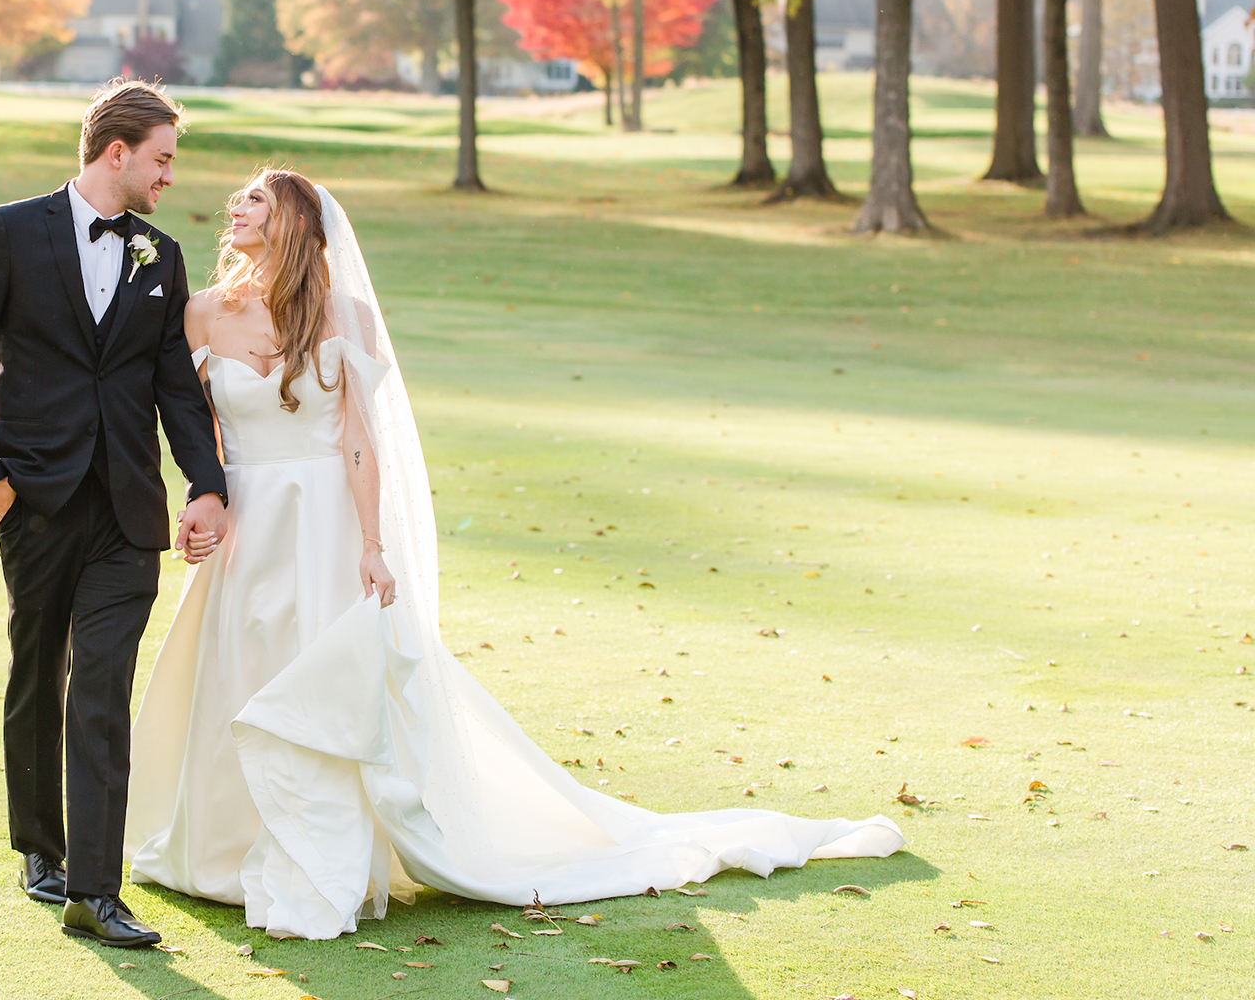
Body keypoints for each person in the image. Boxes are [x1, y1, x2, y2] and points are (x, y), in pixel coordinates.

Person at [125, 168, 905, 940]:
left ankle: (321, 859)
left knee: (325, 684)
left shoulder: (343, 315)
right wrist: (204, 499)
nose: (236, 208)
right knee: (243, 670)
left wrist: (373, 545)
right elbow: (199, 432)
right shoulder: (203, 313)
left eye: (256, 200)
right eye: (239, 198)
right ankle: (225, 850)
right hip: (252, 523)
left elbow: (359, 441)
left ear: (296, 223)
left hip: (327, 521)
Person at [0, 79, 228, 950]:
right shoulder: (9, 233)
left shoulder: (162, 258)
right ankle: (40, 849)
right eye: (162, 159)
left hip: (128, 514)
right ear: (117, 152)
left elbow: (175, 388)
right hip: (35, 505)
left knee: (100, 692)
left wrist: (207, 485)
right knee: (38, 673)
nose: (170, 177)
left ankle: (95, 891)